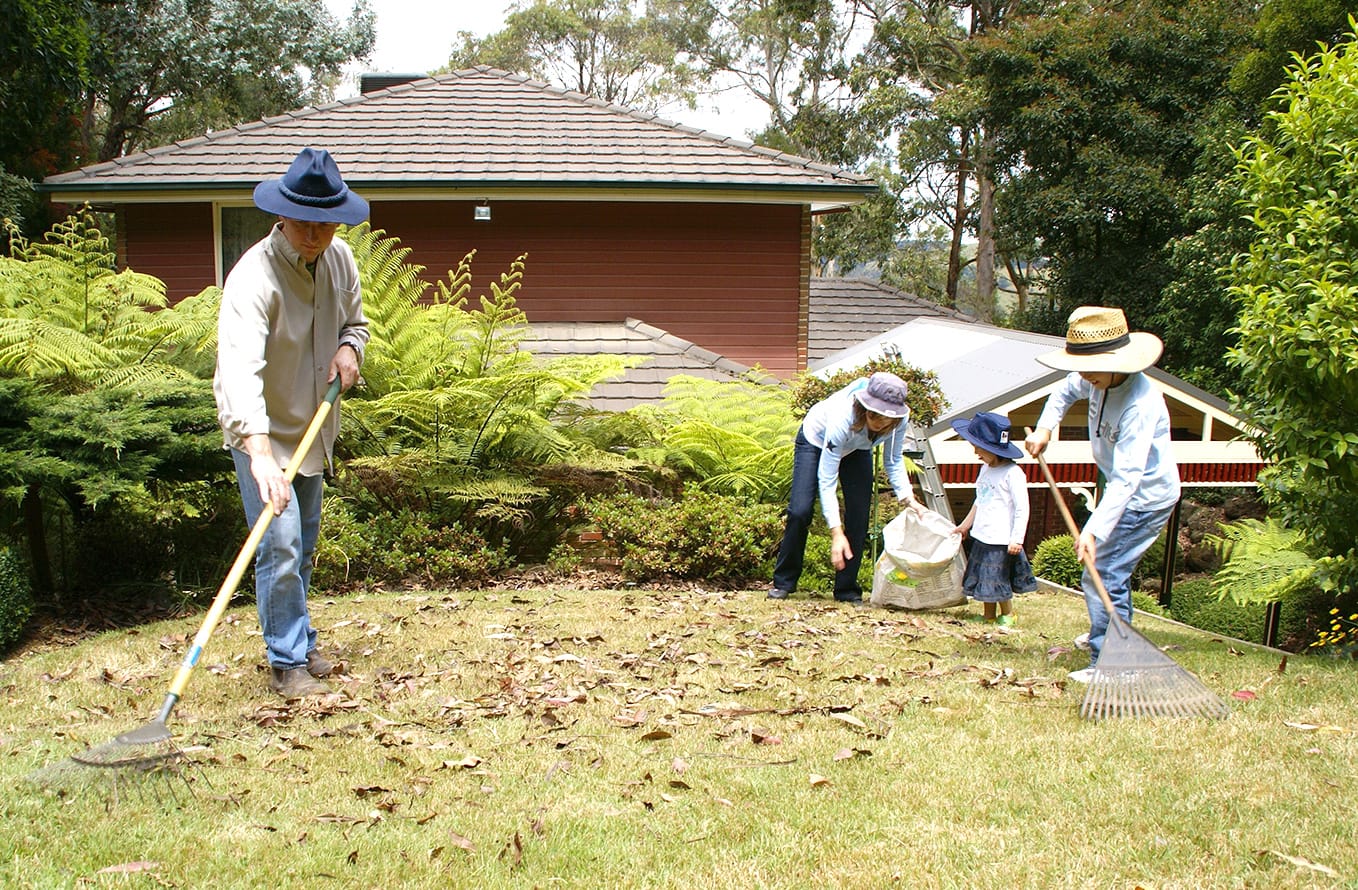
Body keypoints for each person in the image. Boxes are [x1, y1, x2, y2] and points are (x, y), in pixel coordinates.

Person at [213, 147, 369, 699]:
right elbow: (239, 371)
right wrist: (258, 453)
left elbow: (356, 322)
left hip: (313, 425)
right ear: (282, 215)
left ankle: (299, 642)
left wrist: (351, 347)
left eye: (325, 225)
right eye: (304, 224)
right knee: (277, 544)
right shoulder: (252, 279)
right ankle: (286, 663)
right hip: (262, 432)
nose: (315, 235)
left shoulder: (340, 260)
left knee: (301, 544)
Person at [1023, 306, 1180, 683]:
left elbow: (1128, 479)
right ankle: (1106, 632)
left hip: (1144, 499)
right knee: (1102, 571)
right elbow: (1062, 392)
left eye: (1089, 369)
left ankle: (1114, 663)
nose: (1082, 376)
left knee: (1104, 572)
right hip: (1120, 491)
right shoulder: (1095, 377)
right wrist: (1045, 429)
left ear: (1118, 362)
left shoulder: (1140, 405)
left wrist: (1093, 531)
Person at [770, 372, 924, 605]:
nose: (881, 423)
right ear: (865, 407)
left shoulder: (900, 420)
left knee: (859, 513)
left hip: (856, 449)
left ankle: (846, 590)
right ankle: (784, 582)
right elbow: (827, 478)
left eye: (886, 419)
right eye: (875, 415)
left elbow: (893, 460)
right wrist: (836, 532)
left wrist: (908, 498)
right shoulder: (842, 417)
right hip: (817, 441)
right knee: (800, 511)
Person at [950, 412, 1035, 626]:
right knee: (984, 578)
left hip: (1001, 539)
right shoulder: (985, 469)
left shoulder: (1013, 473)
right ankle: (988, 614)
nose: (976, 452)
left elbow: (1022, 508)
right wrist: (964, 526)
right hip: (983, 536)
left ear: (992, 450)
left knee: (997, 579)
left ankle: (1007, 613)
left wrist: (1017, 538)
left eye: (978, 447)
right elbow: (980, 500)